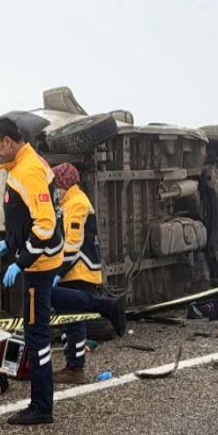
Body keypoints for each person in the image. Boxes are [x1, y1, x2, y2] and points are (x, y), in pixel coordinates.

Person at [0, 115, 65, 426]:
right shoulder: (21, 166)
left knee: (37, 336)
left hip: (39, 266)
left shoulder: (29, 170)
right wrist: (11, 242)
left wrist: (21, 263)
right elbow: (25, 216)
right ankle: (40, 403)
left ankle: (41, 406)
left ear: (9, 142)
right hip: (38, 261)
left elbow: (45, 225)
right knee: (38, 328)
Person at [48, 163, 128, 385]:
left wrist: (57, 270)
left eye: (56, 186)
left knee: (73, 321)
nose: (54, 191)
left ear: (64, 184)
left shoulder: (76, 204)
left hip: (78, 270)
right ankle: (73, 365)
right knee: (69, 320)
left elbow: (73, 244)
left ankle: (74, 368)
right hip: (76, 270)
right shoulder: (69, 203)